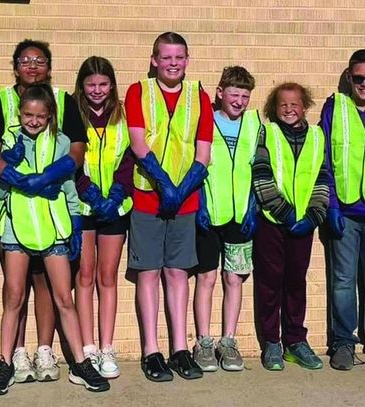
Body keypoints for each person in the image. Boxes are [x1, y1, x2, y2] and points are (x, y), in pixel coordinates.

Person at [0, 83, 109, 395]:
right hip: (17, 229)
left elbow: (69, 186)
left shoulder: (62, 142)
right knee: (13, 298)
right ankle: (4, 362)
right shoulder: (9, 141)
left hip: (54, 230)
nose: (34, 121)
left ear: (50, 115)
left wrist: (76, 223)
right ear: (20, 114)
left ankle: (81, 363)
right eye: (28, 114)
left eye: (40, 115)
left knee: (64, 298)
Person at [0, 39, 88, 384]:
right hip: (17, 215)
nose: (33, 66)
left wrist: (49, 177)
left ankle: (44, 349)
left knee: (48, 285)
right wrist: (19, 180)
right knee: (15, 289)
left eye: (40, 61)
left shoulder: (65, 102)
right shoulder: (2, 101)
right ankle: (15, 355)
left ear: (49, 67)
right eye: (26, 61)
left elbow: (76, 152)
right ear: (15, 66)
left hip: (51, 217)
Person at [124, 31, 212, 382]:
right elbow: (138, 142)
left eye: (179, 57)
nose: (173, 64)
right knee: (148, 273)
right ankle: (151, 350)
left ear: (187, 61)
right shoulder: (138, 91)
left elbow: (203, 152)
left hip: (185, 200)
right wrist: (163, 183)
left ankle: (179, 349)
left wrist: (182, 188)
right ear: (154, 60)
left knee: (177, 274)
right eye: (167, 57)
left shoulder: (198, 96)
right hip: (148, 195)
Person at [252, 82, 328, 371]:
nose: (289, 109)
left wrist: (312, 216)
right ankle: (272, 342)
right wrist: (284, 212)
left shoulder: (317, 136)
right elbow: (261, 174)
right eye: (283, 104)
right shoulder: (267, 133)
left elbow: (322, 177)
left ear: (304, 106)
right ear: (275, 107)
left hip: (304, 225)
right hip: (273, 221)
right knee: (270, 282)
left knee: (296, 282)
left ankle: (295, 342)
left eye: (294, 104)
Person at [192, 66, 261, 372]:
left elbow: (258, 166)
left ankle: (228, 341)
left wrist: (252, 205)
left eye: (245, 96)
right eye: (234, 94)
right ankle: (204, 342)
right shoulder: (205, 120)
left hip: (240, 217)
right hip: (210, 215)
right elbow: (198, 164)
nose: (240, 101)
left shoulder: (254, 123)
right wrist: (200, 203)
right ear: (220, 93)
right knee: (206, 278)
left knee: (234, 279)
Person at [73, 56, 134, 378]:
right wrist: (88, 192)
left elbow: (128, 158)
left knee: (107, 278)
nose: (97, 90)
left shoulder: (122, 116)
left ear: (111, 85)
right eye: (91, 84)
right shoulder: (72, 113)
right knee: (84, 276)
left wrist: (116, 195)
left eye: (103, 84)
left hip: (114, 208)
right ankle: (88, 349)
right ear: (82, 85)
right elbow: (68, 158)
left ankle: (108, 347)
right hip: (84, 209)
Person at [320, 49, 365, 370]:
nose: (364, 84)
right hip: (346, 212)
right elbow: (323, 157)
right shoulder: (336, 107)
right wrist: (331, 204)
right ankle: (343, 342)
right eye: (359, 78)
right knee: (343, 281)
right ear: (349, 77)